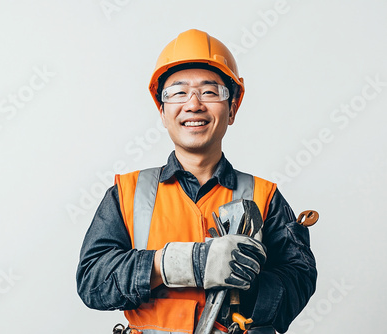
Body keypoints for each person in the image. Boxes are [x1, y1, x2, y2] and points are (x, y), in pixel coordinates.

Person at [76, 29, 317, 334]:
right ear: (162, 112)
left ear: (232, 109)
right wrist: (178, 263)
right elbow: (92, 283)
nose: (193, 104)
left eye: (210, 91)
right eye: (178, 92)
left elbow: (298, 283)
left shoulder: (264, 196)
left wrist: (249, 282)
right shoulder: (128, 194)